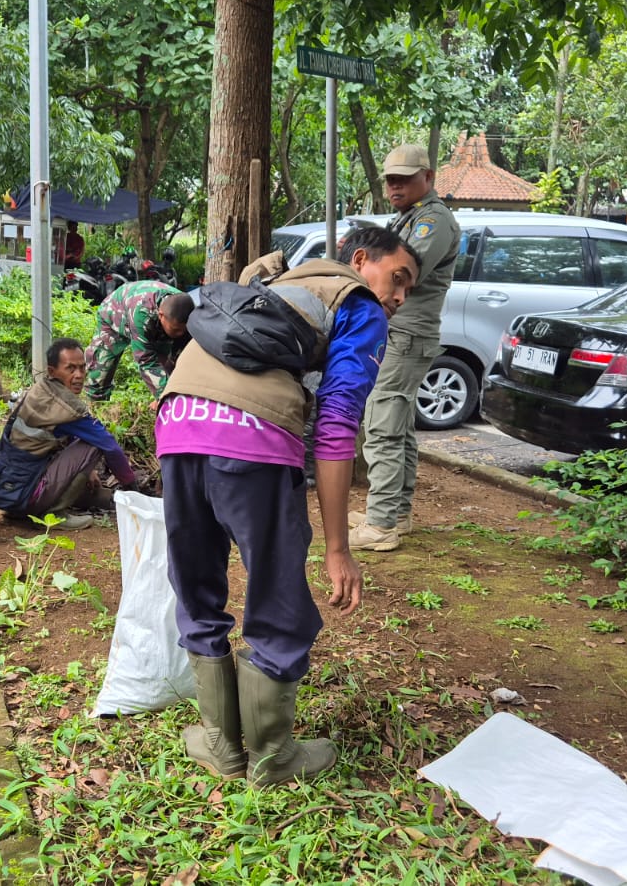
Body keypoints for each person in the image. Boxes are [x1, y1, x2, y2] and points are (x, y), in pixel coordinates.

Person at [157, 226, 419, 787]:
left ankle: (221, 746)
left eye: (408, 291)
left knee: (196, 581)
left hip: (177, 421)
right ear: (360, 260)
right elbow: (337, 425)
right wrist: (337, 546)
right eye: (398, 278)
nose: (398, 297)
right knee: (276, 590)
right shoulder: (360, 306)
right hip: (250, 434)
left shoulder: (276, 279)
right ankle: (272, 757)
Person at [351, 144, 461, 552]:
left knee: (382, 421)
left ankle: (381, 524)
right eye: (390, 178)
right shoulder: (408, 219)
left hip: (407, 333)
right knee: (398, 422)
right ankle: (395, 512)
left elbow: (402, 270)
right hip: (398, 332)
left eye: (405, 178)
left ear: (427, 178)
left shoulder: (433, 222)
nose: (395, 185)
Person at [0, 337, 139, 530]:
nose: (79, 375)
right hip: (23, 493)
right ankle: (54, 514)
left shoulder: (41, 390)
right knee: (94, 445)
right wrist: (132, 487)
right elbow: (110, 446)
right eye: (70, 368)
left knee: (89, 453)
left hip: (3, 488)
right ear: (52, 371)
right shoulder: (67, 406)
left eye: (82, 367)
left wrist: (90, 472)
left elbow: (61, 434)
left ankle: (94, 499)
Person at [83, 281, 193, 402]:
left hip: (155, 322)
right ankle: (95, 407)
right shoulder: (142, 313)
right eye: (176, 330)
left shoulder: (185, 308)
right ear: (161, 315)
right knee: (100, 371)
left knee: (169, 365)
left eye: (184, 329)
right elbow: (145, 359)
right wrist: (166, 398)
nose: (181, 334)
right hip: (115, 314)